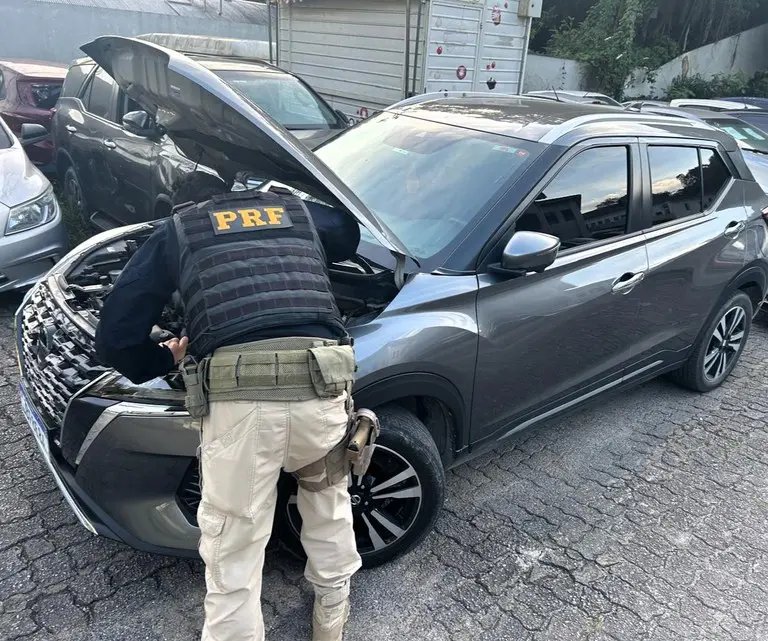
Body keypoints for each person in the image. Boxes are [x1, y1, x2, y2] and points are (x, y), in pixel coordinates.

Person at [95, 171, 371, 641]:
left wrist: (162, 358)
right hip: (321, 391)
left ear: (183, 208)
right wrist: (283, 195)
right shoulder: (293, 212)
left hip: (241, 410)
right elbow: (347, 231)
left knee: (234, 543)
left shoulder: (179, 230)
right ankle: (331, 617)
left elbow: (115, 339)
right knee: (328, 503)